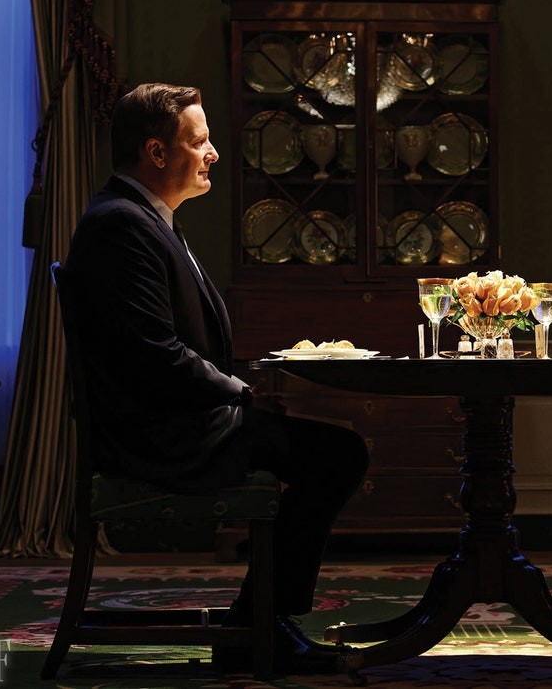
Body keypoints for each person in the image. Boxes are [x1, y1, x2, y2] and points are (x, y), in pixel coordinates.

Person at [65, 83, 370, 674]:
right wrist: (242, 393)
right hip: (161, 438)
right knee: (339, 454)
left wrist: (241, 391)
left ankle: (257, 621)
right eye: (199, 141)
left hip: (179, 421)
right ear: (156, 152)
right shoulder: (120, 225)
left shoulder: (143, 217)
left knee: (327, 449)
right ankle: (259, 627)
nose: (214, 153)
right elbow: (154, 355)